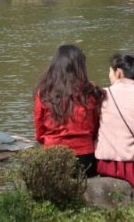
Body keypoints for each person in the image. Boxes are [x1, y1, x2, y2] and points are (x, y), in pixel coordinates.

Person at [34, 45, 104, 177]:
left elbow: (39, 132)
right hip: (86, 157)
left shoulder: (44, 93)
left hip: (53, 155)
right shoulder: (90, 92)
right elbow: (96, 128)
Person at [95, 54, 134, 197]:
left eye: (110, 71)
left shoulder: (102, 94)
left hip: (104, 163)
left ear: (118, 72)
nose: (109, 75)